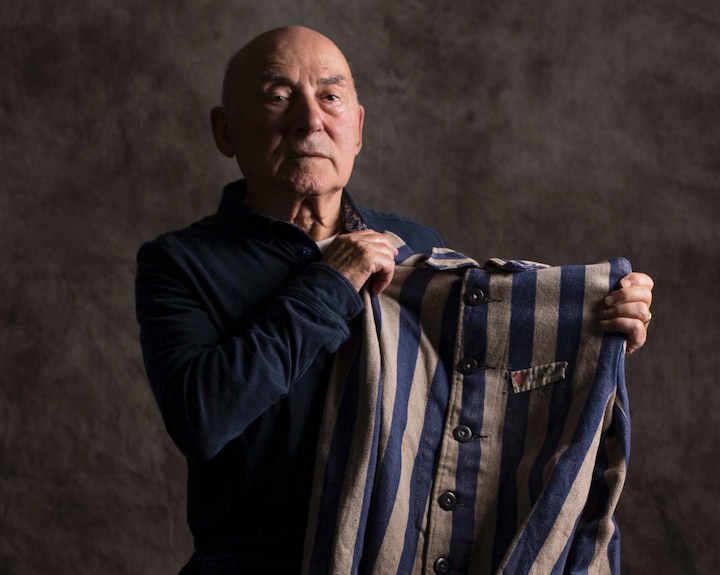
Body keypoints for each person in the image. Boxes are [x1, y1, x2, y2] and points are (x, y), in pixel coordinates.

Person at [135, 25, 654, 574]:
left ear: (356, 128)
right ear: (225, 131)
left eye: (330, 97)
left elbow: (476, 385)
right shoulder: (180, 262)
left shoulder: (413, 246)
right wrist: (333, 283)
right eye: (278, 97)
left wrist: (595, 333)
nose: (310, 119)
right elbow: (202, 418)